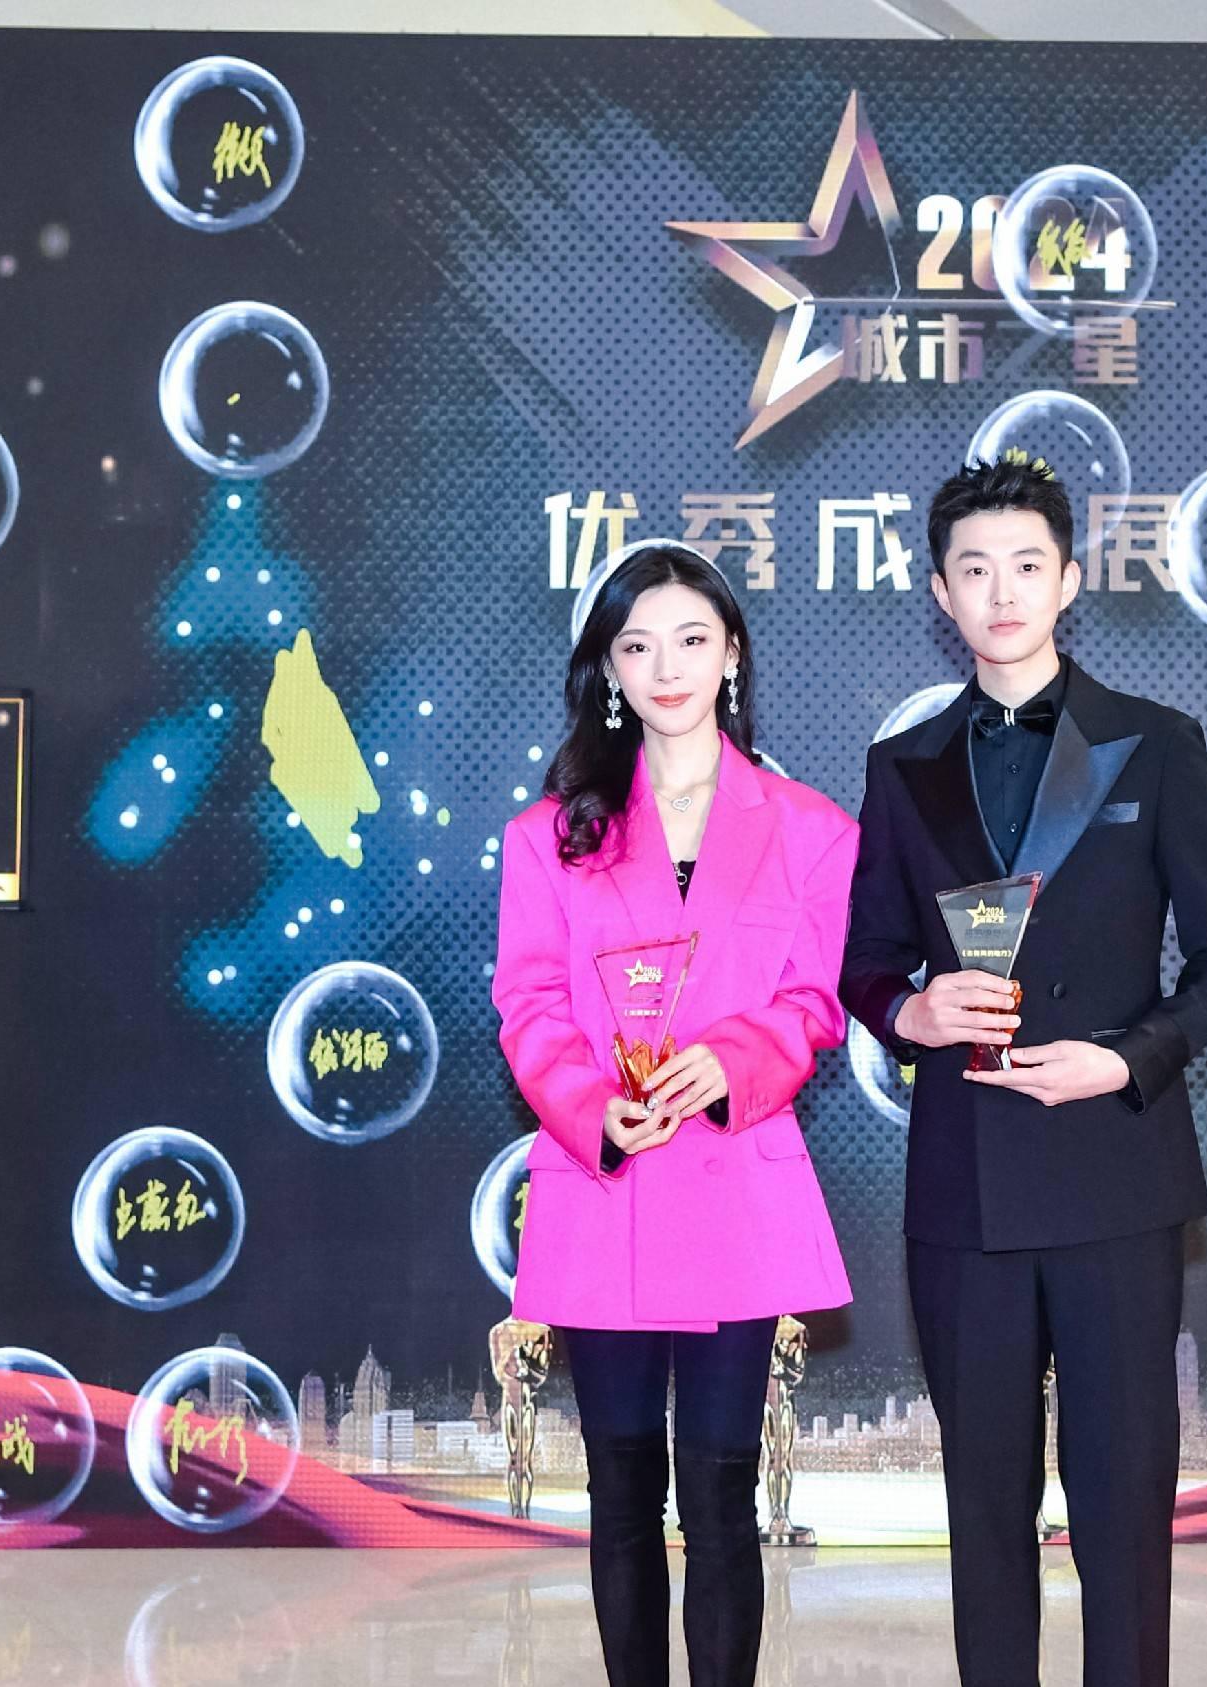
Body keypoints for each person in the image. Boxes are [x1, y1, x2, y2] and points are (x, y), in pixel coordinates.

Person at [841, 457, 1207, 1687]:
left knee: (1124, 1503)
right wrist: (913, 1010)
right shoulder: (905, 765)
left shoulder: (1156, 745)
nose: (1002, 591)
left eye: (1026, 564)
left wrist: (1123, 1059)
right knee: (984, 1507)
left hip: (1115, 1176)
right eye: (974, 569)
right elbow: (864, 963)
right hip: (964, 1188)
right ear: (940, 592)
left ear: (1070, 579)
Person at [493, 543, 858, 1687]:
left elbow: (815, 1003)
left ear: (731, 653)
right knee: (619, 1492)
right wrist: (592, 1106)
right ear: (608, 667)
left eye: (692, 639)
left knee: (719, 1492)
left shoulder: (811, 829)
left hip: (733, 1179)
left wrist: (734, 1060)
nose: (667, 667)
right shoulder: (550, 836)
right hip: (603, 1181)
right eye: (637, 645)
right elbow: (528, 1005)